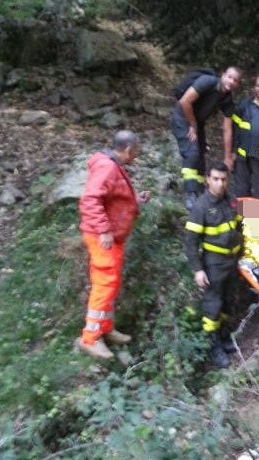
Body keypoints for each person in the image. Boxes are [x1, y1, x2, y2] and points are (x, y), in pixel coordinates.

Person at [75, 130, 151, 360]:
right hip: (104, 238)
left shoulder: (112, 165)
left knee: (110, 281)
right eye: (137, 149)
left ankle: (104, 328)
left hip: (112, 237)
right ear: (128, 149)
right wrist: (104, 229)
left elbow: (112, 199)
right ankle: (90, 338)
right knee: (104, 283)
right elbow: (90, 200)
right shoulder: (107, 167)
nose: (137, 153)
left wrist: (135, 201)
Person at [184, 162, 243, 368]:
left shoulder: (232, 199)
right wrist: (198, 269)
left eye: (224, 179)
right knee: (213, 306)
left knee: (228, 302)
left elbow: (253, 219)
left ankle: (224, 337)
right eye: (216, 179)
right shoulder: (201, 206)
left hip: (233, 262)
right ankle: (213, 347)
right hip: (214, 264)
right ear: (207, 179)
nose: (220, 183)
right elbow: (191, 240)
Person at [171, 66, 242, 211]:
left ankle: (203, 190)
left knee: (201, 155)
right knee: (192, 152)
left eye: (235, 80)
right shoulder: (207, 82)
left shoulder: (227, 98)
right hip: (183, 118)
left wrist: (228, 156)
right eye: (229, 77)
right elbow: (185, 101)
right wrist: (192, 125)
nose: (231, 82)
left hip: (197, 122)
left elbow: (227, 129)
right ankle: (190, 195)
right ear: (223, 75)